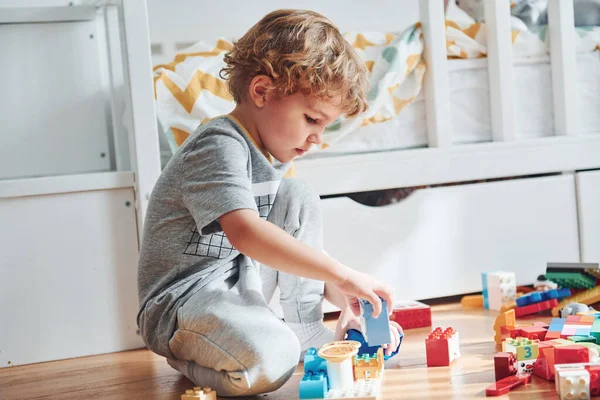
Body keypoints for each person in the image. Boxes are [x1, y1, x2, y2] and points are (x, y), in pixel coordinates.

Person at [137, 9, 402, 396]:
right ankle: (196, 356)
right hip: (182, 303)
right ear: (262, 92)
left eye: (324, 126)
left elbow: (285, 248)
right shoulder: (218, 144)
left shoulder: (269, 156)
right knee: (273, 361)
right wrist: (343, 273)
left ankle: (304, 329)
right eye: (312, 119)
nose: (317, 139)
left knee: (299, 196)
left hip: (236, 281)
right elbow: (247, 234)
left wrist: (340, 289)